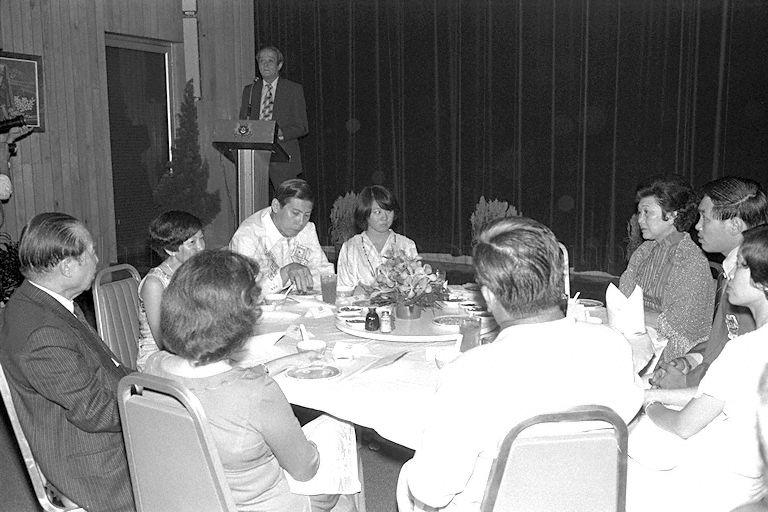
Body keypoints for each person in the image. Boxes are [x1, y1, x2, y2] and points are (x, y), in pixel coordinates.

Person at [397, 216, 643, 511]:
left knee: (410, 479)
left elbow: (432, 490)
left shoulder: (471, 373)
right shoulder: (612, 345)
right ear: (559, 278)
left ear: (488, 296)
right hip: (589, 500)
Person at [143, 249, 349, 511]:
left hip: (186, 498)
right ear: (239, 322)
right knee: (340, 437)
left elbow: (218, 383)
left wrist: (278, 364)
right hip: (258, 505)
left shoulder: (154, 367)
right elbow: (305, 469)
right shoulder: (257, 393)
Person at [628, 225, 768, 511]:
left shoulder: (746, 349)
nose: (729, 275)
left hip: (718, 481)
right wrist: (647, 395)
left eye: (740, 267)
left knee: (630, 443)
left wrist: (649, 406)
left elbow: (683, 426)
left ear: (763, 282)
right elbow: (715, 397)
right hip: (753, 478)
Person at [0, 212, 134, 512]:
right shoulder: (42, 334)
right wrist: (152, 406)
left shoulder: (38, 301)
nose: (97, 260)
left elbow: (107, 368)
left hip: (91, 435)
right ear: (67, 266)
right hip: (92, 465)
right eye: (92, 252)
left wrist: (151, 384)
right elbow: (94, 412)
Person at [652, 177, 768, 389]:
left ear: (734, 225)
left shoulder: (753, 284)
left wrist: (687, 381)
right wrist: (691, 360)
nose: (697, 226)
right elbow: (721, 341)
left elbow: (743, 368)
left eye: (705, 218)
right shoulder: (730, 270)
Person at [619, 176, 715, 363]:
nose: (640, 220)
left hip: (673, 356)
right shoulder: (644, 252)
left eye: (647, 213)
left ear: (672, 216)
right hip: (638, 338)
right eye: (639, 213)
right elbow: (623, 299)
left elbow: (680, 328)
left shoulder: (692, 261)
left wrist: (632, 316)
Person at [229, 178, 332, 294]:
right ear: (276, 206)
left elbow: (325, 274)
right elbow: (244, 292)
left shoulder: (307, 229)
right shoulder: (248, 237)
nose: (301, 221)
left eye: (307, 215)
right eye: (295, 213)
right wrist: (285, 273)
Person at [135, 211, 205, 371]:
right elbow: (162, 340)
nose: (201, 247)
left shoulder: (195, 272)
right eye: (192, 242)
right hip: (158, 360)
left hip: (193, 348)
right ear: (170, 250)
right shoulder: (154, 283)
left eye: (202, 238)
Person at [239, 45, 308, 189]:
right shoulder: (250, 90)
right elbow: (243, 122)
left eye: (270, 61)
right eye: (261, 61)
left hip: (283, 158)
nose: (265, 64)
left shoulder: (293, 90)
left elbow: (302, 127)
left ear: (279, 65)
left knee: (284, 201)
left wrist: (281, 132)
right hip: (254, 158)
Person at [337, 185, 418, 290]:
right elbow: (343, 290)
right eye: (377, 212)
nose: (384, 217)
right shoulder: (350, 247)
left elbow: (415, 286)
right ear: (365, 213)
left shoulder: (407, 245)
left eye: (388, 211)